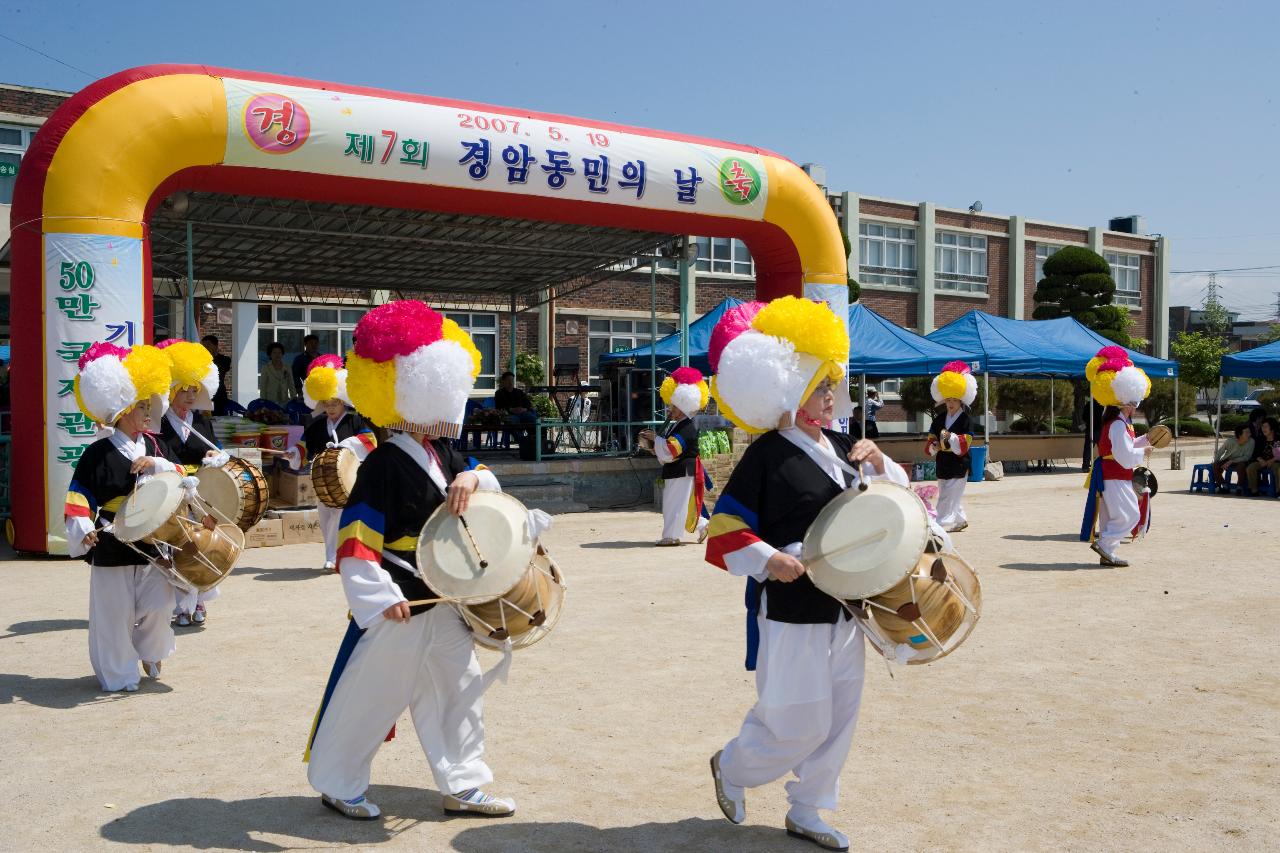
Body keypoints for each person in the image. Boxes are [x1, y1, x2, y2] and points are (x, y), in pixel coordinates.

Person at [703, 296, 907, 852]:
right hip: (791, 606)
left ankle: (810, 808)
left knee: (839, 718)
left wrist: (881, 462)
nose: (831, 394)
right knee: (797, 720)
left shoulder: (845, 447)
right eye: (821, 385)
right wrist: (770, 559)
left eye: (830, 384)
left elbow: (898, 506)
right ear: (794, 388)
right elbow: (723, 528)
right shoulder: (767, 454)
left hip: (848, 605)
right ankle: (734, 766)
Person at [304, 300, 516, 821]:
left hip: (446, 599)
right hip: (401, 598)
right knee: (371, 697)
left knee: (459, 690)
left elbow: (480, 476)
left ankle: (464, 784)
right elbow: (356, 542)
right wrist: (378, 598)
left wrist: (472, 476)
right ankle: (338, 782)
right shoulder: (380, 464)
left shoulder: (443, 451)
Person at [64, 342, 187, 692]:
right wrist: (84, 525)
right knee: (114, 615)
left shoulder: (154, 447)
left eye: (148, 406)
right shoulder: (97, 453)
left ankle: (150, 651)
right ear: (123, 410)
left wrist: (158, 464)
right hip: (113, 538)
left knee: (161, 602)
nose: (148, 413)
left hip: (153, 539)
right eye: (142, 407)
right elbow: (78, 495)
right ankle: (119, 673)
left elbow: (183, 475)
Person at [157, 339, 230, 626]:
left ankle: (198, 602)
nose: (189, 396)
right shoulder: (158, 422)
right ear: (171, 390)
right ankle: (181, 607)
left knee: (203, 546)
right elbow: (157, 453)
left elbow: (215, 448)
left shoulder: (201, 422)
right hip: (171, 492)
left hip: (199, 497)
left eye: (193, 390)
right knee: (174, 547)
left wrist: (215, 455)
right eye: (183, 390)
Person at [285, 355, 376, 571]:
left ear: (343, 401)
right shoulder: (317, 425)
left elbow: (370, 441)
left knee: (339, 515)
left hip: (348, 478)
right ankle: (332, 553)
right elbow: (304, 447)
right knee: (326, 518)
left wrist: (347, 445)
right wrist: (293, 453)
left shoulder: (355, 420)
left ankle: (335, 556)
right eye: (326, 403)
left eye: (334, 403)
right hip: (321, 479)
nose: (330, 408)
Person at [1080, 347, 1153, 567]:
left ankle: (1109, 552)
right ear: (1126, 403)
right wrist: (1144, 451)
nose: (1135, 407)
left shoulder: (1119, 423)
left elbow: (1125, 448)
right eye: (1134, 403)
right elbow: (1124, 455)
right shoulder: (1118, 424)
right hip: (1115, 475)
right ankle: (1106, 544)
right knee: (1130, 515)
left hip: (1113, 475)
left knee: (1114, 516)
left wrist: (1146, 439)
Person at [639, 367, 711, 547]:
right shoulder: (680, 424)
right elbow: (669, 448)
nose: (669, 409)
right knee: (683, 504)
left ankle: (671, 536)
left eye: (673, 406)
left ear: (682, 406)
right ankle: (703, 525)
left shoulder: (685, 427)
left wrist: (656, 439)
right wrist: (655, 444)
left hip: (681, 470)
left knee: (674, 504)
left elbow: (672, 449)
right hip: (681, 469)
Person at [925, 362, 976, 533]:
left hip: (959, 463)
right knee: (949, 493)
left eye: (954, 400)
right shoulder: (939, 420)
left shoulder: (966, 420)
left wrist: (949, 438)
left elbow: (965, 443)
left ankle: (938, 524)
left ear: (961, 400)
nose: (951, 403)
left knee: (947, 496)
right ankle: (960, 520)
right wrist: (935, 446)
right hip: (943, 462)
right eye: (948, 400)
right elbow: (931, 439)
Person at [494, 371, 537, 437]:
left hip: (522, 413)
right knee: (514, 420)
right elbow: (499, 407)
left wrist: (524, 409)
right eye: (508, 380)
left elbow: (528, 403)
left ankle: (533, 439)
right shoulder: (499, 393)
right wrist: (511, 410)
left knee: (533, 419)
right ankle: (521, 440)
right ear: (504, 381)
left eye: (512, 380)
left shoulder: (519, 392)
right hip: (509, 414)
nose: (510, 382)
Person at [1244, 417, 1280, 495]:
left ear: (1272, 428)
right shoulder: (1260, 439)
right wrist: (1261, 460)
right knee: (1251, 468)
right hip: (1262, 461)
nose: (1263, 429)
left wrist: (1272, 460)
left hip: (1275, 461)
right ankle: (1254, 490)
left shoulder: (1278, 439)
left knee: (1278, 467)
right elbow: (1255, 453)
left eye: (1266, 427)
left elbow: (1279, 454)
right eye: (1262, 427)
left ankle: (1278, 490)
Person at [259, 341, 300, 407]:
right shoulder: (266, 368)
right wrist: (263, 401)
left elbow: (291, 384)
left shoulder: (287, 367)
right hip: (270, 402)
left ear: (282, 354)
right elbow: (263, 386)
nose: (277, 355)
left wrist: (294, 397)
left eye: (279, 352)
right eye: (274, 352)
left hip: (285, 401)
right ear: (270, 354)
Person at [201, 334, 232, 416]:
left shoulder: (225, 360)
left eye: (208, 345)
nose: (205, 348)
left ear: (216, 346)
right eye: (203, 346)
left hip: (219, 397)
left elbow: (219, 371)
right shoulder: (200, 360)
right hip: (204, 396)